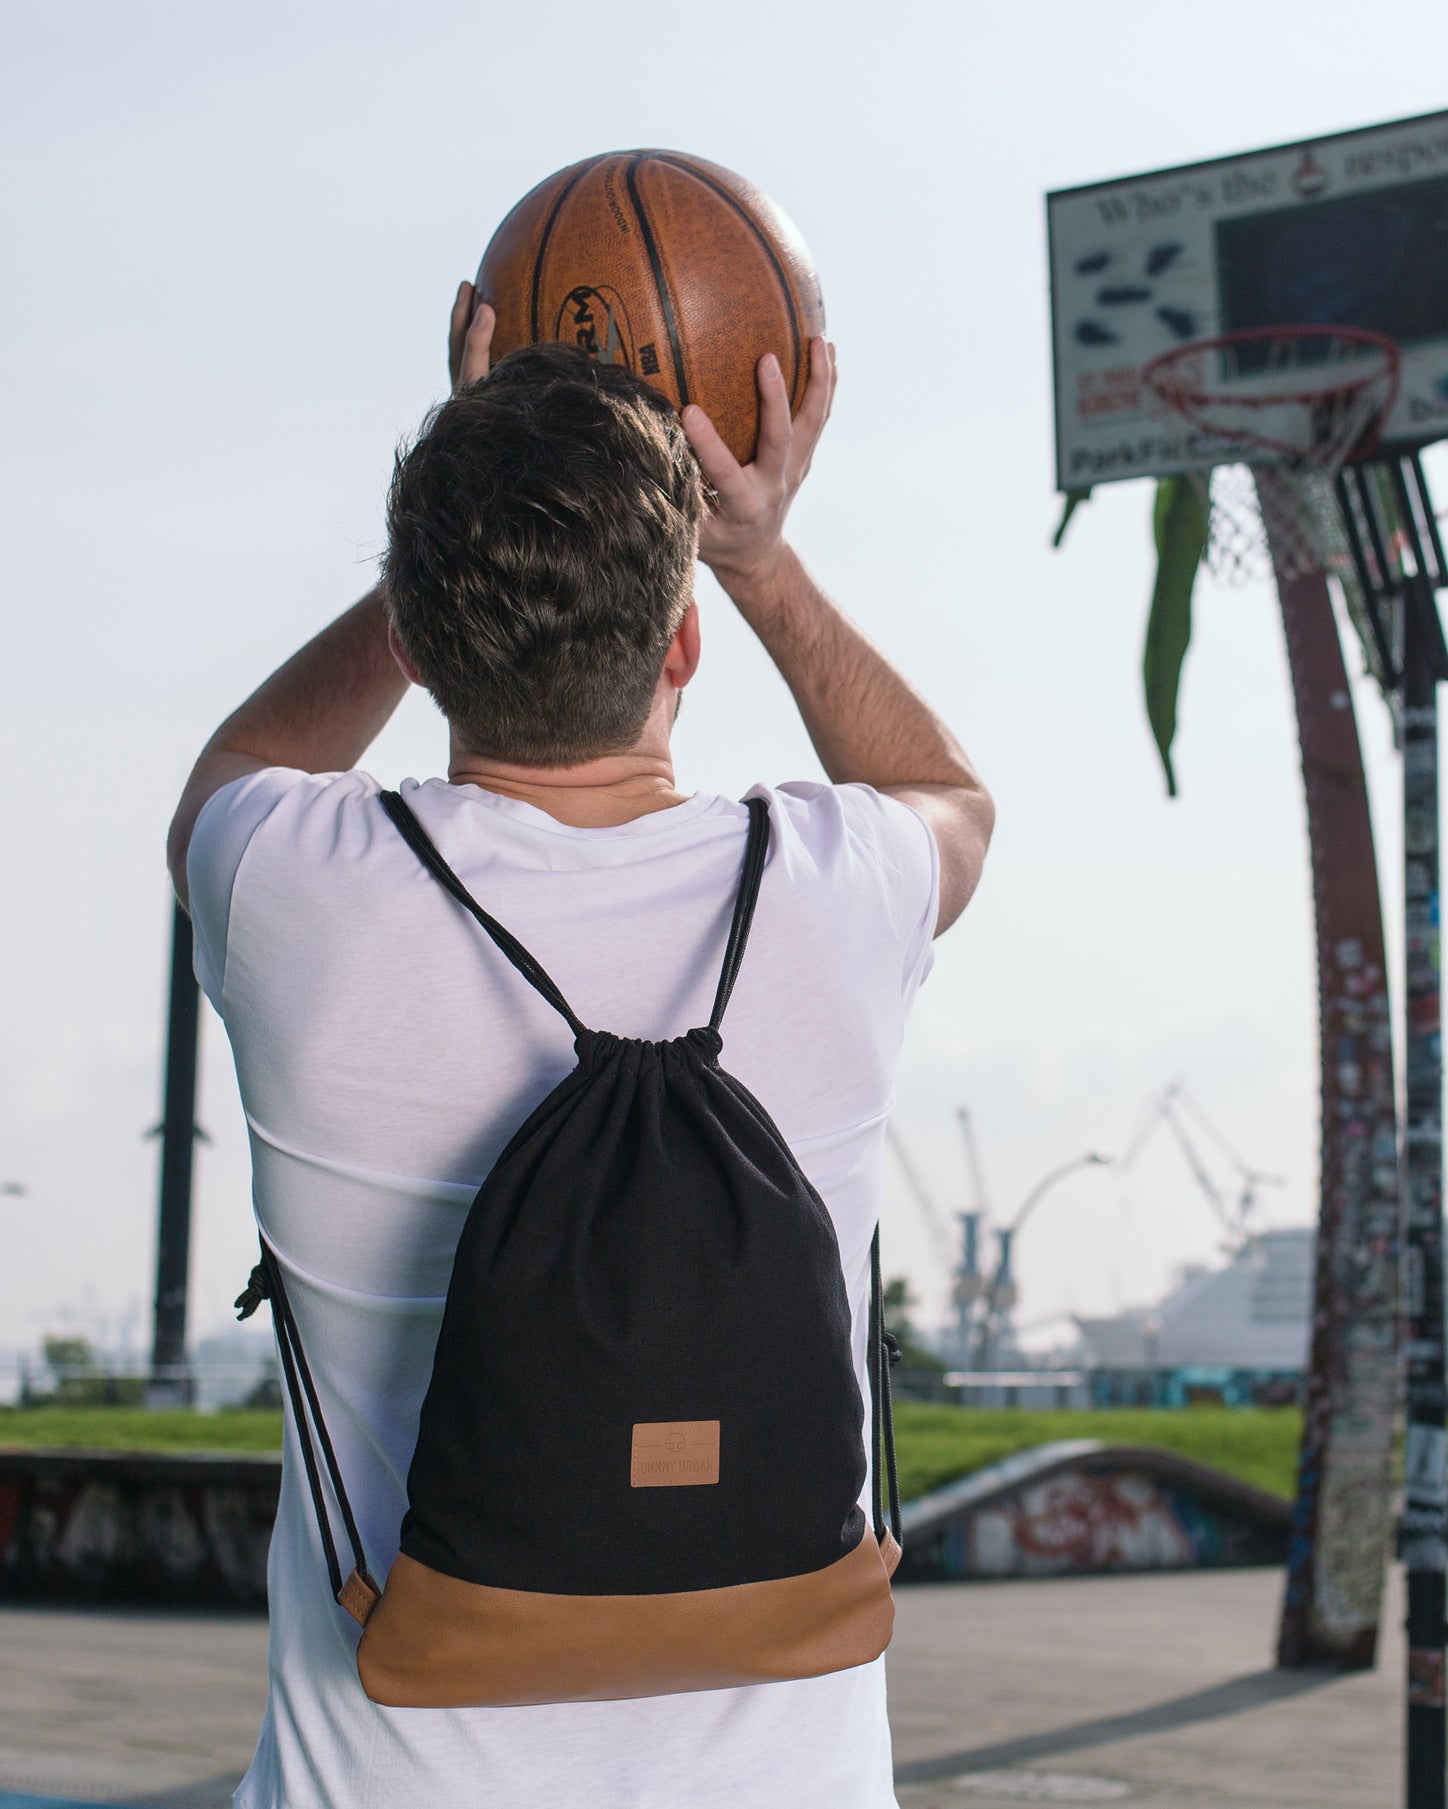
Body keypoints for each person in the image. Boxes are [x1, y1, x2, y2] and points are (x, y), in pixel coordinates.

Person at [166, 283, 993, 1809]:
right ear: (684, 639)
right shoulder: (836, 885)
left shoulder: (292, 880)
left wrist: (455, 536)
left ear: (418, 633)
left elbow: (234, 767)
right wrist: (760, 553)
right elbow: (951, 796)